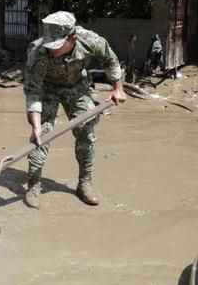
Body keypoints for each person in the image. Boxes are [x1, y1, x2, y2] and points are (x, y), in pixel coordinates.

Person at [23, 11, 126, 209]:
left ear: (72, 39)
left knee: (86, 132)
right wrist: (35, 126)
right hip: (47, 89)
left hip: (77, 86)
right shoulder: (37, 54)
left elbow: (110, 59)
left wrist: (118, 88)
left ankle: (84, 182)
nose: (52, 50)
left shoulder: (90, 41)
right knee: (41, 135)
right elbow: (32, 92)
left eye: (57, 46)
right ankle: (34, 184)